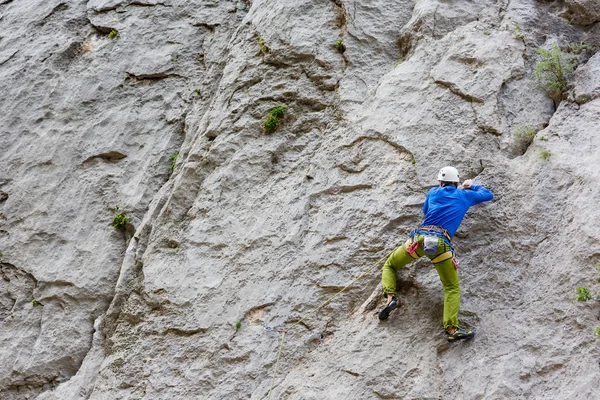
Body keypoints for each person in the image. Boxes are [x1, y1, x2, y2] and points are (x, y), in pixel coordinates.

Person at [378, 166, 493, 342]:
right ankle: (452, 330)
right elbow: (488, 195)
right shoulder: (465, 195)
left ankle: (390, 299)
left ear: (440, 182)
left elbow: (425, 211)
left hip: (419, 240)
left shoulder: (433, 192)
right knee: (451, 287)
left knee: (390, 265)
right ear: (456, 183)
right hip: (440, 244)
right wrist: (471, 185)